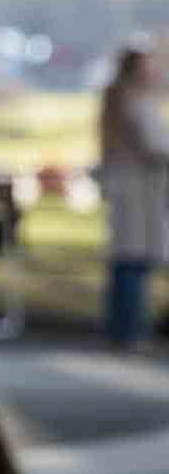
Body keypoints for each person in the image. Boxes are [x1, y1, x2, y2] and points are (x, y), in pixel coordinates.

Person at [100, 37, 169, 350]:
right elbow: (155, 145)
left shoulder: (116, 100)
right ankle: (128, 332)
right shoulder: (135, 102)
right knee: (132, 265)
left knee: (124, 264)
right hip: (137, 192)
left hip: (126, 190)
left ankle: (121, 330)